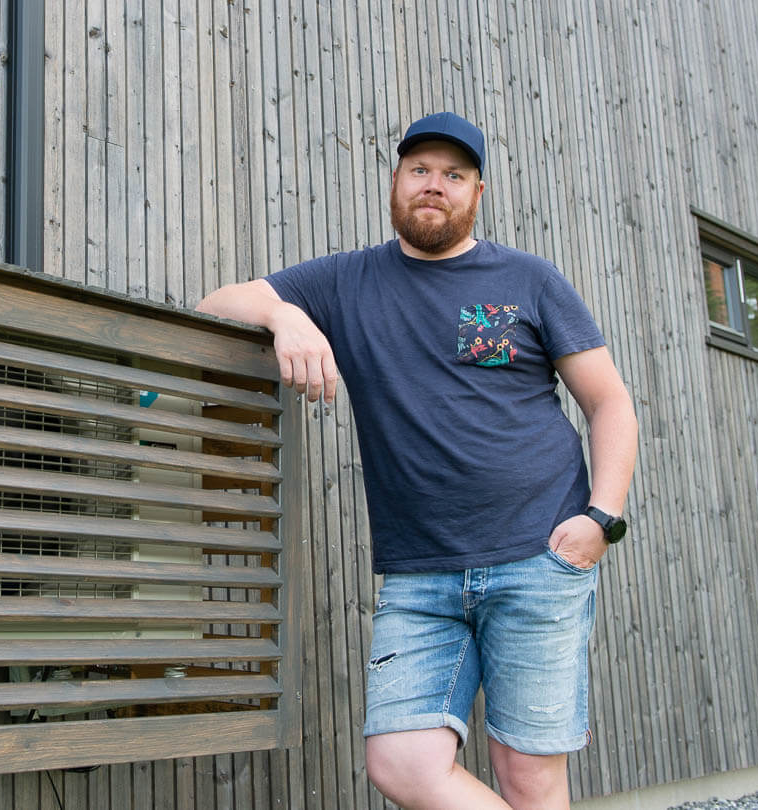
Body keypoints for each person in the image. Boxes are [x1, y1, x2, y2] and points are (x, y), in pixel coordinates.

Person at [197, 111, 638, 809]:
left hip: (539, 558)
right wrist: (285, 315)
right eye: (420, 170)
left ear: (477, 193)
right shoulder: (346, 280)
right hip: (420, 573)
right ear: (397, 182)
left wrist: (601, 520)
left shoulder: (529, 279)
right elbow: (218, 304)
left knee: (528, 776)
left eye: (454, 175)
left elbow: (609, 403)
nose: (435, 184)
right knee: (402, 764)